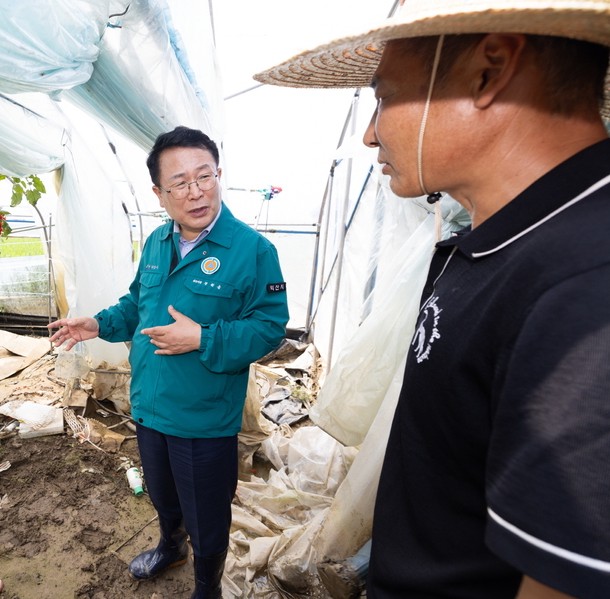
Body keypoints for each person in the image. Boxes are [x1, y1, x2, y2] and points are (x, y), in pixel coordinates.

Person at [254, 1, 610, 598]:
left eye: (384, 95)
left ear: (488, 71)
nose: (371, 132)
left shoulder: (585, 288)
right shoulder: (497, 242)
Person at [48, 126, 289, 598]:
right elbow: (139, 303)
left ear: (219, 175)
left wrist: (202, 337)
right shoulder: (159, 242)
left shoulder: (253, 251)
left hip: (202, 417)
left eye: (205, 176)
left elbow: (269, 328)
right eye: (179, 183)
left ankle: (207, 586)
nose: (195, 192)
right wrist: (97, 324)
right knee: (163, 494)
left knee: (207, 512)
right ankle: (170, 546)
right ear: (159, 193)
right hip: (150, 406)